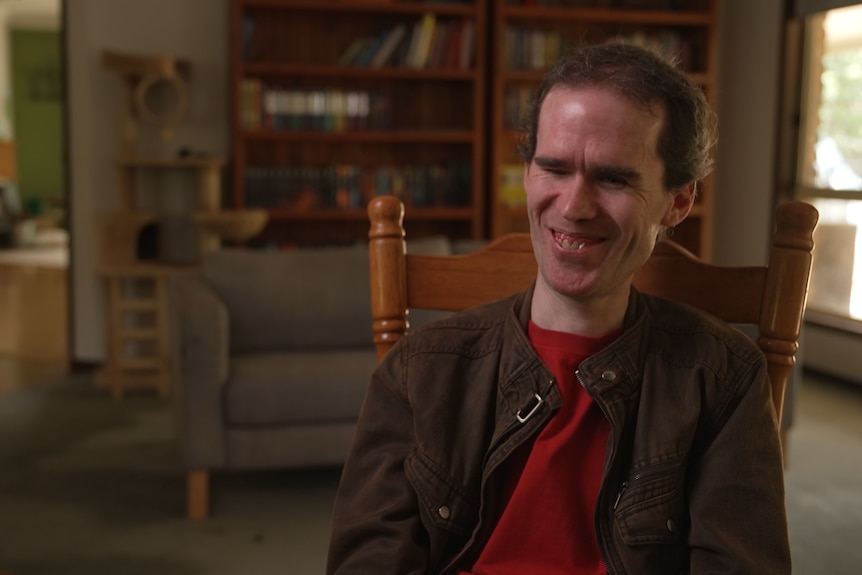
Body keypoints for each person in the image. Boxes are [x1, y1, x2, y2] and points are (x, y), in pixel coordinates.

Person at [327, 42, 790, 574]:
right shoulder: (417, 371)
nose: (573, 207)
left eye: (613, 178)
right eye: (553, 168)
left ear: (677, 201)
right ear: (527, 175)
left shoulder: (724, 379)